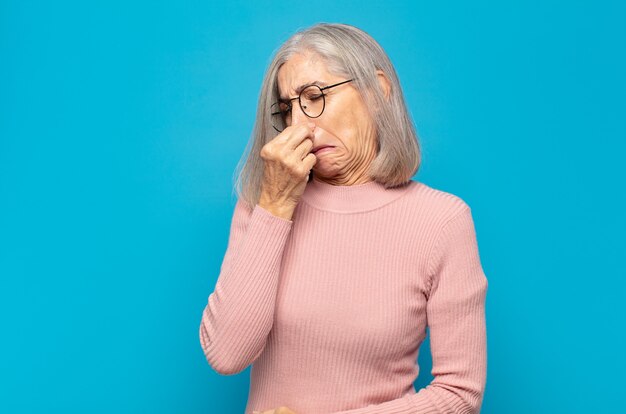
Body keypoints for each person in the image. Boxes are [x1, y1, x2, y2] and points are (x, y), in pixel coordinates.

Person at [199, 23, 488, 414]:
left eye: (315, 96)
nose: (301, 124)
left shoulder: (442, 220)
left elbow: (459, 394)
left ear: (378, 90)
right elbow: (226, 354)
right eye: (287, 108)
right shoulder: (263, 204)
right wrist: (275, 207)